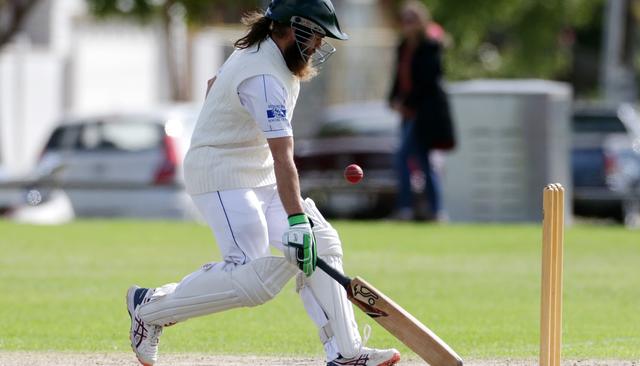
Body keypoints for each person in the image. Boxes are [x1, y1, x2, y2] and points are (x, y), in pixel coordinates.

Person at [125, 1, 401, 366]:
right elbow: (284, 157)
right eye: (316, 34)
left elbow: (214, 85)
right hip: (221, 173)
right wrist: (297, 223)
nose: (319, 44)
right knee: (254, 279)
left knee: (321, 244)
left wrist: (302, 232)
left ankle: (346, 354)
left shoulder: (265, 57)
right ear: (295, 28)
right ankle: (150, 308)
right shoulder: (264, 77)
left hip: (257, 171)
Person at [388, 0, 455, 221]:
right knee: (420, 161)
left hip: (424, 113)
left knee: (406, 157)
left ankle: (412, 208)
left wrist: (406, 102)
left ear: (421, 21)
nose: (407, 24)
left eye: (412, 20)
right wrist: (392, 99)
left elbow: (428, 82)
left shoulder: (430, 47)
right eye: (405, 20)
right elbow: (399, 78)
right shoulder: (403, 46)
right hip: (408, 112)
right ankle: (433, 210)